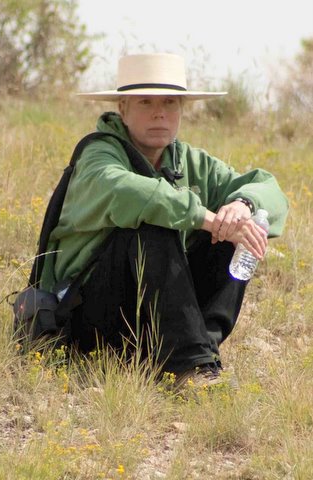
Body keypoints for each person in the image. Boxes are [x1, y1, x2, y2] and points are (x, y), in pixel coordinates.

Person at [40, 53, 288, 386]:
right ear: (123, 109)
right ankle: (188, 367)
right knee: (154, 224)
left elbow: (268, 188)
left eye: (170, 102)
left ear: (181, 111)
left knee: (241, 227)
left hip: (151, 315)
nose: (160, 112)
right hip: (86, 316)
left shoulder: (187, 159)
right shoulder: (98, 153)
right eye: (145, 102)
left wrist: (243, 205)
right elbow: (125, 190)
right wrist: (202, 216)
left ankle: (201, 352)